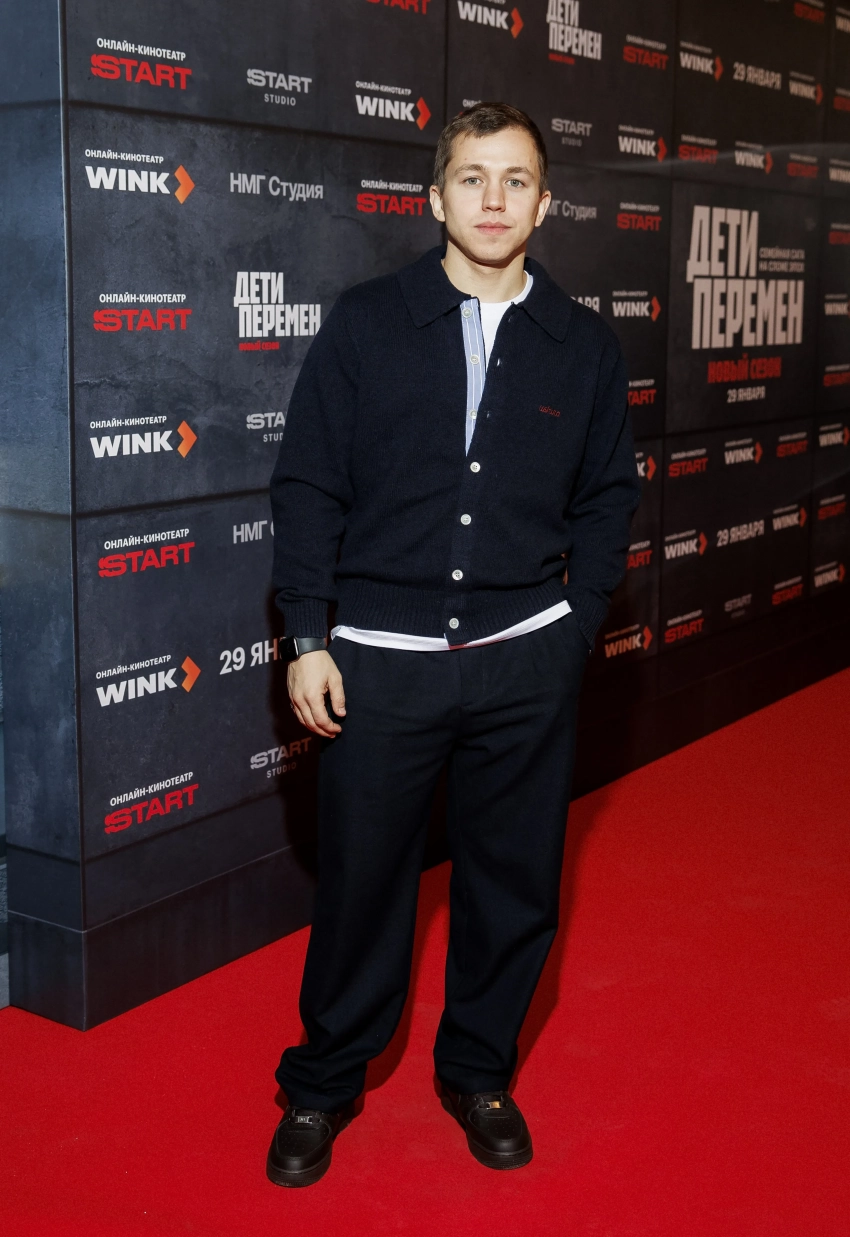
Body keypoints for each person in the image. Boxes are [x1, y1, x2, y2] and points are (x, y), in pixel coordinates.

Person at [267, 102, 641, 1187]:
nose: (492, 199)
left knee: (514, 886)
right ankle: (322, 1083)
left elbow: (607, 499)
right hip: (379, 662)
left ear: (544, 203)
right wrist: (307, 633)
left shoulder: (582, 344)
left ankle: (479, 1070)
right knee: (362, 889)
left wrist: (572, 626)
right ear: (435, 197)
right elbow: (308, 486)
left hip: (524, 658)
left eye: (515, 180)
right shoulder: (368, 323)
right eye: (472, 178)